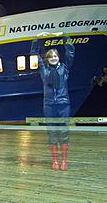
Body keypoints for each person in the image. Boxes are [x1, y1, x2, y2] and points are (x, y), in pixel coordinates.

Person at [31, 33, 75, 170]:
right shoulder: (43, 69)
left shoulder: (64, 68)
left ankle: (64, 161)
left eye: (55, 56)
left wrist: (65, 36)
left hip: (63, 103)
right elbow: (34, 55)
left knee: (64, 131)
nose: (53, 58)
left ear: (58, 57)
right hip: (49, 104)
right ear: (47, 59)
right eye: (50, 57)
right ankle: (55, 161)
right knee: (51, 132)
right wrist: (36, 38)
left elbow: (71, 52)